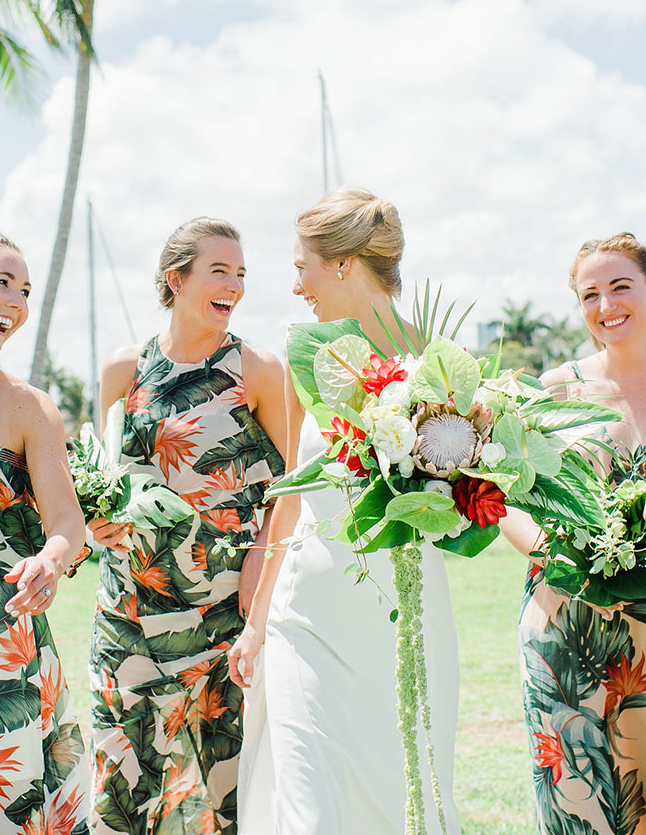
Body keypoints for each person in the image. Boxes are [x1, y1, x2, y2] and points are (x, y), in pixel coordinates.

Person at [229, 189, 461, 835]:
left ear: (342, 264)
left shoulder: (437, 362)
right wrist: (256, 621)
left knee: (401, 795)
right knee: (309, 802)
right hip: (309, 614)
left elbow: (469, 495)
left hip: (407, 613)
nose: (295, 283)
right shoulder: (305, 352)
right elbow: (290, 491)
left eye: (302, 265)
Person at [88, 217, 286, 835]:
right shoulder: (125, 370)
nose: (235, 286)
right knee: (125, 786)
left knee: (221, 792)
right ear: (175, 279)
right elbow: (105, 479)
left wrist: (261, 558)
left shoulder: (257, 371)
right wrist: (98, 526)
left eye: (242, 274)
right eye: (219, 271)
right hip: (127, 610)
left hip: (221, 610)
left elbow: (291, 490)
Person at [503, 233, 646, 834]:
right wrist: (549, 547)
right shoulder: (555, 390)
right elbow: (493, 494)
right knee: (583, 812)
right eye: (590, 294)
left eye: (620, 286)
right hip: (566, 628)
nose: (605, 304)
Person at [0, 232, 90, 834]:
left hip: (9, 634)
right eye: (2, 282)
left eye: (24, 289)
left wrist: (52, 560)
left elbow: (67, 521)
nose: (15, 300)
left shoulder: (31, 408)